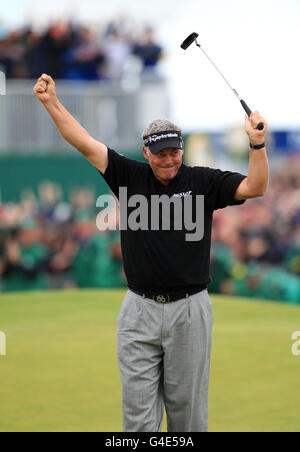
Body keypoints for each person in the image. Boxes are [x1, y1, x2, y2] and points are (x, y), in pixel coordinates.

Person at [33, 73, 269, 432]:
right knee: (138, 421)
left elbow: (255, 186)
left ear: (182, 149)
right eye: (160, 153)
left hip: (189, 309)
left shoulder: (203, 181)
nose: (168, 160)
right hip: (138, 310)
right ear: (146, 152)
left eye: (174, 151)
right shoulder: (128, 175)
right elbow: (82, 142)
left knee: (187, 419)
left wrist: (256, 145)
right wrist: (51, 103)